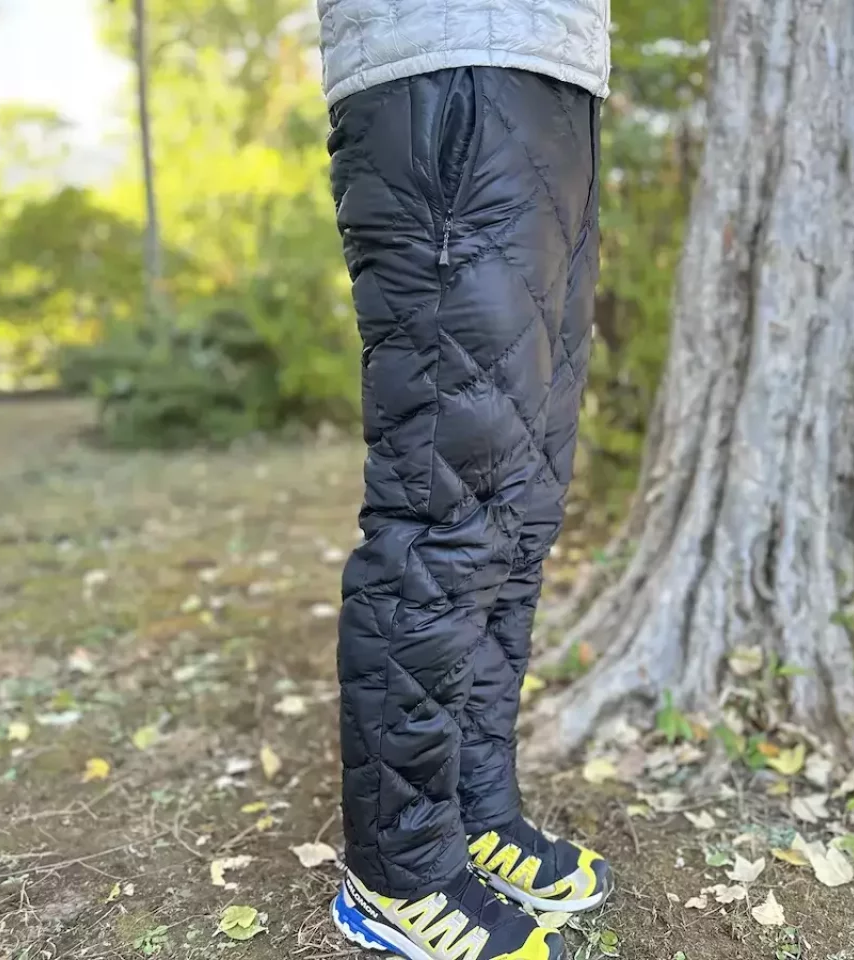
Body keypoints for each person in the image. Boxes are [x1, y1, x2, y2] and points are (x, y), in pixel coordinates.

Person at [318, 2, 613, 958]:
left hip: (558, 77)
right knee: (449, 512)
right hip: (447, 66)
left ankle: (475, 810)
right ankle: (397, 873)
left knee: (522, 508)